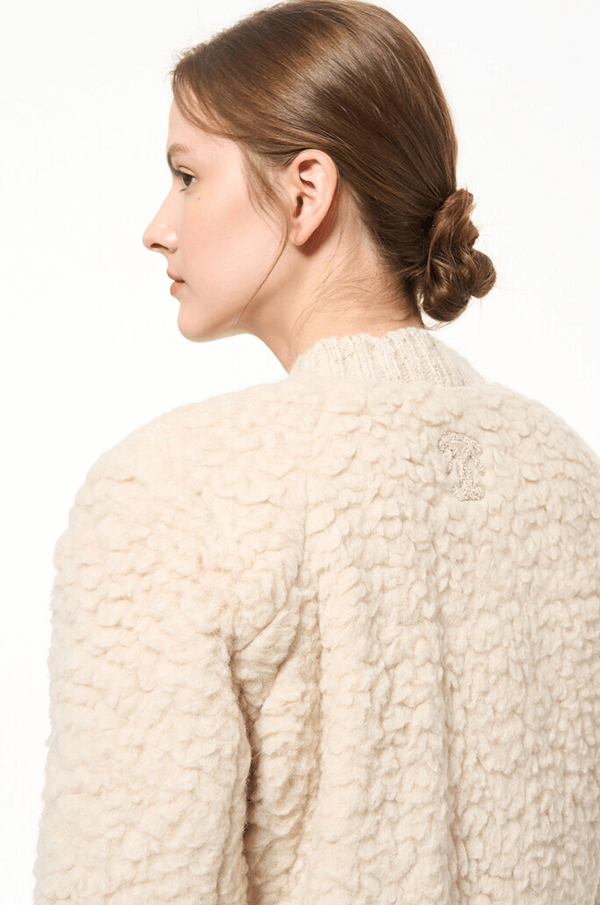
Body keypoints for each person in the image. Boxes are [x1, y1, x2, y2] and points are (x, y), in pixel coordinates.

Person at [33, 1, 600, 903]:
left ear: (306, 192)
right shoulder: (565, 478)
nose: (157, 225)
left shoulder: (171, 495)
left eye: (186, 176)